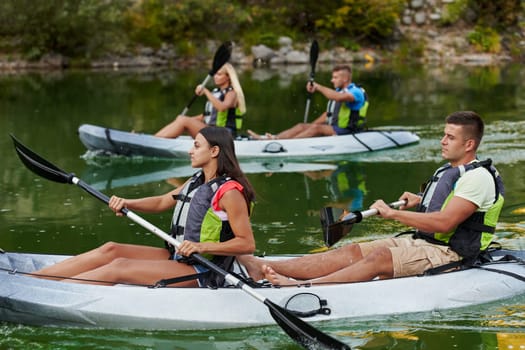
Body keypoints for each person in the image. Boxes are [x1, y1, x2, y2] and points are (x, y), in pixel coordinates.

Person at [240, 111, 504, 286]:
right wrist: (420, 199)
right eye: (443, 134)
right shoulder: (450, 171)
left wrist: (395, 214)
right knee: (353, 250)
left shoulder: (478, 177)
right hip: (423, 242)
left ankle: (301, 286)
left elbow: (446, 222)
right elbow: (448, 202)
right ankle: (265, 266)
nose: (442, 141)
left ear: (469, 144)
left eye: (450, 137)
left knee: (378, 258)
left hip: (450, 253)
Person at [34, 126, 256, 288]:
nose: (191, 150)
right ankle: (33, 281)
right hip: (178, 257)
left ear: (214, 151)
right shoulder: (197, 181)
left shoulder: (230, 192)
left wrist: (201, 246)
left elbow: (246, 243)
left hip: (203, 269)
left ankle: (53, 291)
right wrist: (128, 203)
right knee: (111, 249)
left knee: (119, 267)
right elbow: (161, 202)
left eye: (197, 146)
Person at [247, 65, 368, 139]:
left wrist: (318, 87)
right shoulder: (339, 90)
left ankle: (287, 144)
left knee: (316, 128)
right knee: (302, 125)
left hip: (348, 130)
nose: (332, 80)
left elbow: (339, 98)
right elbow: (328, 114)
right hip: (335, 128)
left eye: (335, 77)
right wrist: (308, 127)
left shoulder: (356, 92)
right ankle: (274, 138)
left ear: (345, 78)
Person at [155, 63, 246, 138]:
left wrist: (206, 92)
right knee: (182, 120)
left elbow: (222, 108)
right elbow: (206, 116)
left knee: (184, 121)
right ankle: (156, 139)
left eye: (219, 74)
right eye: (215, 74)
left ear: (228, 77)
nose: (215, 77)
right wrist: (185, 120)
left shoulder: (232, 93)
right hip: (212, 131)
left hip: (224, 135)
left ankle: (156, 141)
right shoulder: (216, 92)